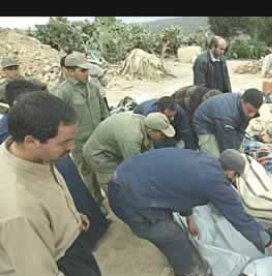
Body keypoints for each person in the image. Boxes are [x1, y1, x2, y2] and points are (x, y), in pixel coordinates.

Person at [108, 148, 272, 276]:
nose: (234, 180)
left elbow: (180, 187)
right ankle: (188, 272)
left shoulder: (203, 160)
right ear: (230, 172)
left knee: (167, 229)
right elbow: (241, 219)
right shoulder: (215, 182)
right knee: (175, 238)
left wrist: (189, 216)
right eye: (235, 176)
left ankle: (175, 257)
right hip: (129, 199)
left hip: (126, 177)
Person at [0, 91, 101, 275]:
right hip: (62, 262)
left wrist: (71, 216)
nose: (72, 147)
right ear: (31, 141)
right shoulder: (19, 210)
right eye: (64, 142)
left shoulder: (31, 154)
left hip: (71, 243)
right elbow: (37, 270)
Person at [55, 52, 109, 203]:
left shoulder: (93, 87)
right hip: (80, 142)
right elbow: (59, 121)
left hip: (99, 139)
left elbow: (104, 111)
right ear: (71, 72)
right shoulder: (63, 92)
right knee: (87, 176)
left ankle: (112, 201)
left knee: (104, 171)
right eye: (82, 71)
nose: (87, 73)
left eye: (87, 70)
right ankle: (97, 205)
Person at [83, 112, 175, 193]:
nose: (164, 137)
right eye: (162, 134)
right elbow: (134, 167)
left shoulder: (144, 122)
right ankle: (116, 206)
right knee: (113, 183)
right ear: (151, 131)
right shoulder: (132, 138)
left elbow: (148, 155)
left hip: (115, 148)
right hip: (99, 154)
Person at [192, 88, 263, 157]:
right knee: (216, 160)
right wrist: (232, 157)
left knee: (238, 152)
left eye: (255, 112)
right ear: (242, 101)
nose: (251, 115)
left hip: (222, 122)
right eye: (249, 111)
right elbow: (226, 145)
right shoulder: (226, 116)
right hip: (205, 125)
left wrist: (237, 149)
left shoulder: (245, 107)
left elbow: (240, 131)